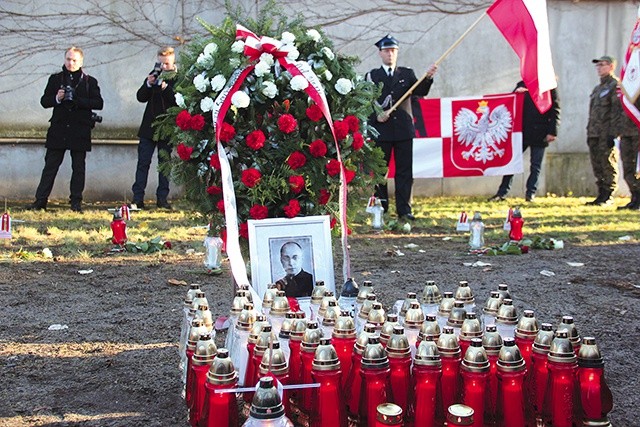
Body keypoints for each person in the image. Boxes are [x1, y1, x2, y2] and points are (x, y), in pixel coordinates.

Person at [366, 35, 437, 221]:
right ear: (380, 53)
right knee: (381, 172)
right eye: (387, 50)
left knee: (405, 171)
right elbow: (366, 102)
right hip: (381, 131)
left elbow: (420, 91)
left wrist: (428, 77)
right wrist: (376, 116)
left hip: (403, 130)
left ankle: (404, 209)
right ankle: (381, 207)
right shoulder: (372, 76)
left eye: (393, 51)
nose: (390, 54)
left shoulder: (407, 74)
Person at [27, 47, 103, 212]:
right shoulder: (55, 79)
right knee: (50, 166)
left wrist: (78, 100)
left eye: (74, 60)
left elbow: (99, 103)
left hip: (80, 129)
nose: (71, 63)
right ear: (64, 59)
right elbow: (44, 101)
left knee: (78, 168)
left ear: (81, 61)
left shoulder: (90, 81)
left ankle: (76, 202)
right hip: (59, 128)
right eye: (68, 59)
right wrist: (57, 98)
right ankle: (40, 201)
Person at [488, 81, 561, 202]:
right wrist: (516, 93)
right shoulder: (522, 84)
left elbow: (555, 109)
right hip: (522, 131)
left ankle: (530, 193)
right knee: (511, 163)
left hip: (540, 131)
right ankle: (502, 192)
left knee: (535, 165)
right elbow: (510, 103)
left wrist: (553, 131)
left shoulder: (549, 86)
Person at [131, 46, 177, 210]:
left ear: (173, 61)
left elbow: (178, 101)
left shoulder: (179, 78)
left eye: (166, 64)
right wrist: (148, 84)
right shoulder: (153, 75)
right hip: (149, 128)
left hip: (167, 128)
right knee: (143, 163)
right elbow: (140, 97)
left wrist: (165, 88)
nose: (163, 67)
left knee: (164, 164)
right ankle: (137, 199)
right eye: (160, 64)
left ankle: (162, 199)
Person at [585, 55, 621, 206]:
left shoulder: (615, 85)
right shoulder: (598, 88)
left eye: (603, 65)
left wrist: (613, 132)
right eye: (598, 65)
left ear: (611, 66)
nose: (599, 68)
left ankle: (609, 194)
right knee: (597, 163)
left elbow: (616, 111)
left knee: (607, 163)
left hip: (606, 132)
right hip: (594, 132)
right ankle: (601, 194)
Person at [617, 93, 640, 210]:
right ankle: (635, 196)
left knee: (638, 167)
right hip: (625, 133)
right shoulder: (626, 87)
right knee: (628, 167)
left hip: (638, 132)